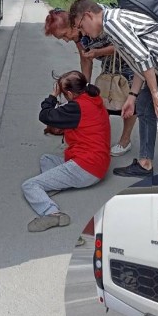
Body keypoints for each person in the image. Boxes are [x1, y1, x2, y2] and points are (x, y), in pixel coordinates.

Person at [69, 0, 158, 177]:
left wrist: (155, 93)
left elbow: (143, 58)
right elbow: (138, 61)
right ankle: (145, 163)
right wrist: (132, 96)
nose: (83, 33)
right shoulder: (109, 24)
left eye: (81, 26)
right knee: (144, 107)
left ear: (88, 16)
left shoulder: (113, 23)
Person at [22, 70, 111, 232]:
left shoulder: (76, 107)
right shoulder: (94, 99)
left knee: (30, 185)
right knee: (46, 159)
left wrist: (52, 96)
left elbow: (45, 115)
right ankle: (54, 184)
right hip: (98, 162)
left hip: (86, 167)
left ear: (69, 93)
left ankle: (52, 213)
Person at [44, 8, 137, 156]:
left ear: (73, 25)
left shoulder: (99, 23)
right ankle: (99, 139)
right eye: (62, 39)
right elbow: (85, 57)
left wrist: (98, 53)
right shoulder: (78, 35)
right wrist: (83, 87)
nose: (66, 40)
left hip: (130, 59)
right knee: (104, 97)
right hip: (109, 60)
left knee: (128, 97)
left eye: (64, 35)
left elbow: (126, 45)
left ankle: (125, 141)